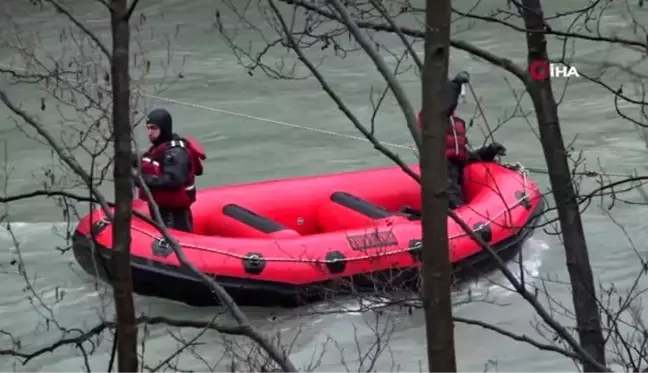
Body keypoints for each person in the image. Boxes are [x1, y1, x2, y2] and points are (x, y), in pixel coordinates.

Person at [416, 72, 506, 210]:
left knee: (457, 195)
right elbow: (445, 105)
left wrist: (489, 151)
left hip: (454, 169)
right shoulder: (430, 116)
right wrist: (455, 86)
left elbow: (465, 156)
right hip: (440, 168)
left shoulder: (453, 122)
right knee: (452, 201)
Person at [134, 108, 206, 232]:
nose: (150, 133)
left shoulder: (176, 153)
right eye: (148, 128)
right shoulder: (158, 149)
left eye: (154, 128)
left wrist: (142, 179)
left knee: (177, 238)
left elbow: (173, 181)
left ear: (164, 128)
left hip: (174, 212)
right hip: (160, 207)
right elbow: (151, 163)